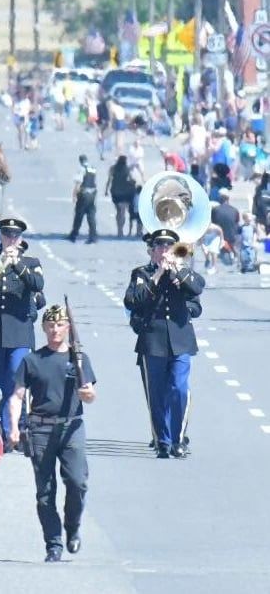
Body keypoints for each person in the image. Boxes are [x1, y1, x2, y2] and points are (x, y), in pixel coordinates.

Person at [9, 304, 96, 563]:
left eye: (59, 325)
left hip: (71, 427)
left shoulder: (78, 358)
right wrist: (14, 427)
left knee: (77, 481)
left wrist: (87, 394)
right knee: (45, 491)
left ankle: (72, 527)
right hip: (41, 429)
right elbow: (17, 396)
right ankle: (53, 543)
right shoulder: (32, 360)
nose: (55, 329)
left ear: (68, 327)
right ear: (44, 328)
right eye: (50, 325)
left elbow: (90, 393)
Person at [123, 229, 204, 459]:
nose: (164, 250)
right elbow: (133, 300)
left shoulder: (183, 271)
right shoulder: (141, 273)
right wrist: (158, 274)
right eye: (160, 246)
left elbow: (197, 288)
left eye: (169, 246)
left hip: (180, 339)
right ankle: (163, 441)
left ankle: (178, 439)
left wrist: (177, 270)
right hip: (153, 341)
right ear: (153, 249)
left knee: (179, 388)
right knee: (156, 393)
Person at [0, 218, 44, 440]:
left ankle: (16, 427)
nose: (11, 239)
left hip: (19, 333)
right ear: (1, 237)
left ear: (20, 238)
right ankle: (2, 429)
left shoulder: (30, 263)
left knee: (15, 381)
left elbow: (37, 285)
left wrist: (17, 265)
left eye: (15, 236)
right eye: (7, 235)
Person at [67, 155, 98, 244]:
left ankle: (74, 234)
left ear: (80, 161)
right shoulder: (92, 168)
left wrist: (74, 195)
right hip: (92, 194)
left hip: (84, 194)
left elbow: (78, 183)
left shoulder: (81, 169)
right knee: (91, 216)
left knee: (79, 215)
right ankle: (93, 236)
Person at [104, 155, 136, 237]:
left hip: (115, 192)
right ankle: (121, 229)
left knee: (119, 211)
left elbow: (109, 180)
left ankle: (119, 230)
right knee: (123, 212)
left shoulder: (113, 168)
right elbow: (131, 179)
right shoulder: (127, 169)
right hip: (125, 192)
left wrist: (106, 190)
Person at [211, 188, 240, 265]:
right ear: (228, 198)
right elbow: (237, 223)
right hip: (232, 237)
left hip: (220, 238)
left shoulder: (215, 210)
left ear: (219, 198)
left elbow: (213, 224)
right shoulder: (235, 210)